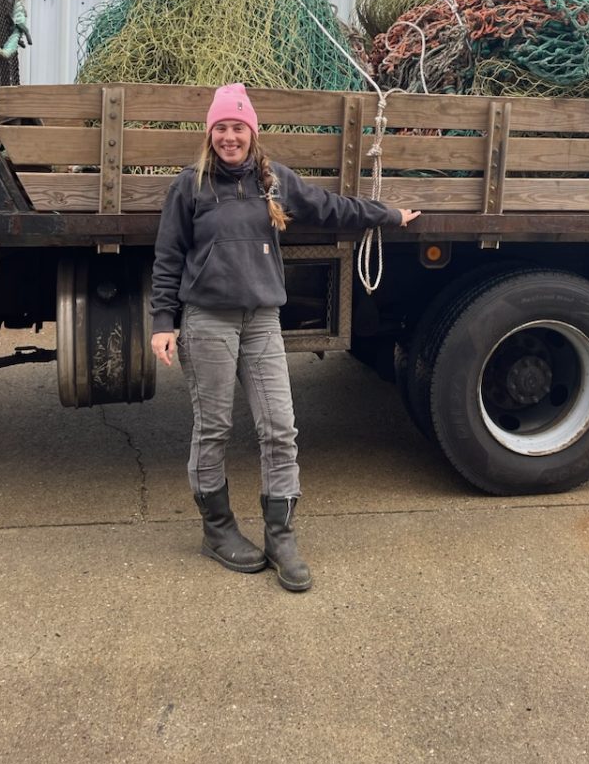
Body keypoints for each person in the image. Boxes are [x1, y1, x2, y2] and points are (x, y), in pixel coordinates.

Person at [150, 83, 420, 592]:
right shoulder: (190, 185)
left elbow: (331, 208)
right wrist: (163, 323)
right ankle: (217, 529)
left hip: (262, 320)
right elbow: (168, 257)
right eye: (221, 128)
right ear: (210, 134)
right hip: (208, 320)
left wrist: (387, 215)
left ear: (252, 132)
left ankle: (280, 534)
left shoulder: (274, 181)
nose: (230, 137)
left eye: (238, 127)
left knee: (279, 427)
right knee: (213, 428)